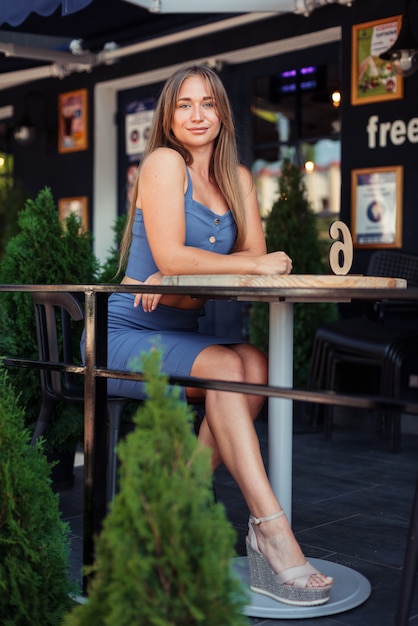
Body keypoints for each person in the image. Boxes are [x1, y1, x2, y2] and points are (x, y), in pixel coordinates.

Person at [103, 64, 333, 606]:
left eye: (208, 103)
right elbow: (176, 257)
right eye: (184, 104)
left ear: (223, 113)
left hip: (180, 331)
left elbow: (255, 260)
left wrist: (193, 273)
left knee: (254, 362)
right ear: (169, 115)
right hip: (127, 329)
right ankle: (271, 531)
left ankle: (169, 516)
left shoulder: (238, 180)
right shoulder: (163, 163)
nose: (197, 114)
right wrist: (208, 267)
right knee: (231, 368)